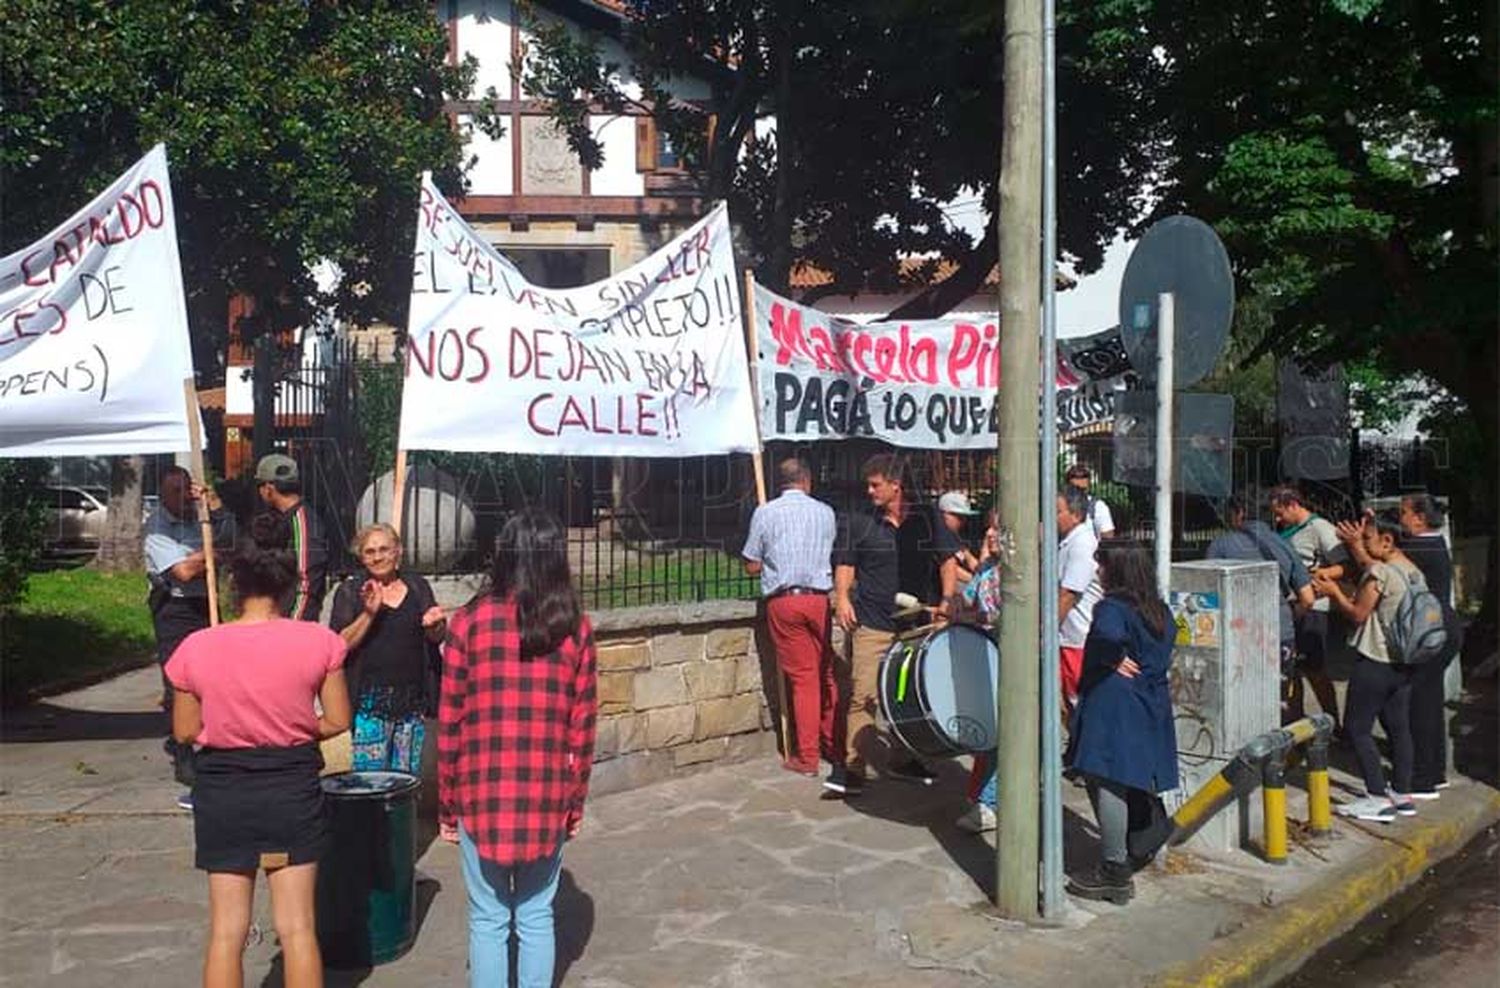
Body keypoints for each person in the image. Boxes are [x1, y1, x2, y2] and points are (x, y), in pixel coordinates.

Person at [165, 512, 351, 988]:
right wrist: (294, 725)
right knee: (298, 929)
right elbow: (337, 720)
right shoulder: (320, 641)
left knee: (227, 932)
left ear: (233, 581)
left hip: (223, 792)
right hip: (291, 788)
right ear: (290, 583)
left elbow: (186, 731)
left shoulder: (196, 647)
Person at [439, 508, 598, 988]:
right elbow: (582, 727)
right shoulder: (573, 626)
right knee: (535, 913)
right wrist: (575, 801)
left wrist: (447, 804)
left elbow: (451, 722)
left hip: (480, 790)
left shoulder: (468, 623)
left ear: (504, 555)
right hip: (546, 791)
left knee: (487, 917)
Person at [829, 455, 961, 796]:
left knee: (908, 696)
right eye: (868, 485)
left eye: (875, 485)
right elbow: (845, 562)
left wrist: (947, 600)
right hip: (872, 621)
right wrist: (842, 597)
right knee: (865, 695)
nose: (869, 490)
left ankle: (902, 759)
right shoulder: (859, 520)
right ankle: (854, 767)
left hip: (915, 624)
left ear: (895, 486)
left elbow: (948, 559)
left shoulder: (927, 518)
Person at [1064, 541, 1178, 906]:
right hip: (1149, 702)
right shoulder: (1158, 610)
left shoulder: (1111, 608)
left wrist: (1111, 658)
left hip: (1115, 706)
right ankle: (1131, 847)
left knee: (1108, 779)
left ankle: (1114, 869)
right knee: (1130, 778)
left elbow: (1109, 637)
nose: (1098, 572)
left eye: (1103, 566)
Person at [1312, 511, 1422, 822]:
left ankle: (1376, 796)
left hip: (1375, 660)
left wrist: (1334, 593)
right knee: (1399, 728)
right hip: (1403, 663)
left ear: (1387, 541)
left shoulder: (1381, 574)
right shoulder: (1413, 571)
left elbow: (1358, 614)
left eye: (1369, 538)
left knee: (1358, 729)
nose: (1364, 543)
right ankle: (1402, 793)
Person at [144, 465, 235, 810]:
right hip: (174, 608)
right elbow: (181, 572)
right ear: (163, 495)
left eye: (187, 490)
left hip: (204, 602)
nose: (184, 498)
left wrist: (215, 507)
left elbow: (231, 540)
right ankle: (184, 753)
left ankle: (214, 743)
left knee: (216, 677)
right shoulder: (156, 527)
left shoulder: (202, 517)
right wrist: (210, 555)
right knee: (179, 680)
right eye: (176, 492)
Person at [741, 458, 838, 777]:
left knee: (803, 678)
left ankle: (807, 756)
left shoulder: (766, 513)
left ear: (780, 482)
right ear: (807, 481)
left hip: (785, 601)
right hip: (819, 598)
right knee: (825, 672)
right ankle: (831, 742)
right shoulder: (826, 512)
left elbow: (751, 563)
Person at [328, 523, 446, 774]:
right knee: (371, 784)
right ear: (361, 557)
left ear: (398, 552)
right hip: (368, 707)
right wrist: (370, 612)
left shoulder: (417, 587)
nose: (378, 556)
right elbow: (340, 644)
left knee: (406, 784)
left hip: (412, 708)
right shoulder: (350, 592)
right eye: (370, 552)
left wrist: (436, 626)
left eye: (384, 549)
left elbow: (435, 637)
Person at [1206, 498, 1317, 719]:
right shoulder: (1284, 544)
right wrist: (1288, 615)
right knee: (1279, 696)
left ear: (1239, 512)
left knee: (1240, 696)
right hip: (1280, 633)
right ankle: (1281, 746)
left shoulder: (1221, 544)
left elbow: (1208, 593)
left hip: (1237, 636)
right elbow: (1308, 598)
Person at [1269, 486, 1345, 730]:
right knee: (1293, 670)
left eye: (1280, 513)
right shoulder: (1284, 532)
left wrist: (1318, 575)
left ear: (1293, 504)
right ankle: (1297, 725)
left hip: (1313, 610)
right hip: (1290, 607)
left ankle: (1334, 723)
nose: (1278, 519)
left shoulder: (1320, 528)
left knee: (1316, 670)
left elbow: (1344, 566)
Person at [951, 510, 1002, 834]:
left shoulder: (1019, 572)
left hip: (1007, 658)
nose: (991, 535)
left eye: (999, 529)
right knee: (990, 736)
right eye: (989, 530)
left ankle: (990, 803)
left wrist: (970, 618)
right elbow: (968, 599)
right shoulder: (986, 569)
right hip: (984, 657)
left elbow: (1000, 616)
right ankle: (984, 798)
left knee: (1003, 735)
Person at [254, 453, 328, 621]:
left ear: (268, 489)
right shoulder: (277, 519)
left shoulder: (303, 521)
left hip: (294, 622)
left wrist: (293, 625)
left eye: (259, 485)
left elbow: (307, 580)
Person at [1058, 487, 1104, 713]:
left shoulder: (1082, 544)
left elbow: (1068, 594)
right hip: (1067, 637)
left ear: (1075, 515)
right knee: (1067, 701)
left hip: (1078, 639)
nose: (1050, 517)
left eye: (1057, 511)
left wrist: (1043, 630)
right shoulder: (1065, 541)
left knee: (1079, 701)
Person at [937, 491, 982, 580]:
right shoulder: (938, 536)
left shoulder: (954, 536)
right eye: (960, 518)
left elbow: (970, 560)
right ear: (945, 514)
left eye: (965, 518)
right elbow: (950, 569)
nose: (964, 522)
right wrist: (977, 582)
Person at [1065, 463, 1115, 539]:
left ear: (1088, 487)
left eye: (1082, 490)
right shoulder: (1058, 506)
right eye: (1075, 489)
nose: (1078, 494)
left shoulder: (1098, 507)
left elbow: (1108, 536)